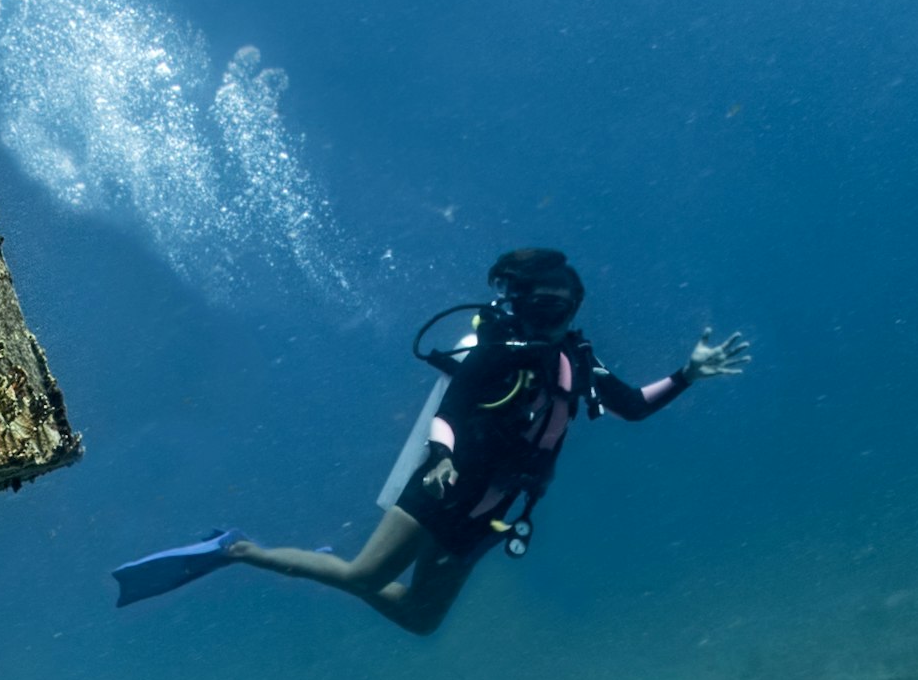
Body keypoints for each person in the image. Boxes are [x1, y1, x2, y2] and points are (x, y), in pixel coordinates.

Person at [114, 249, 750, 635]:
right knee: (365, 576)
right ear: (522, 303)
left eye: (564, 305)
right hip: (447, 487)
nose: (552, 316)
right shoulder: (500, 351)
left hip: (496, 511)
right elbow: (449, 409)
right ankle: (237, 550)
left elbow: (634, 407)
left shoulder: (578, 361)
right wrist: (442, 456)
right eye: (543, 303)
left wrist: (689, 374)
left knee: (421, 619)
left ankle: (326, 559)